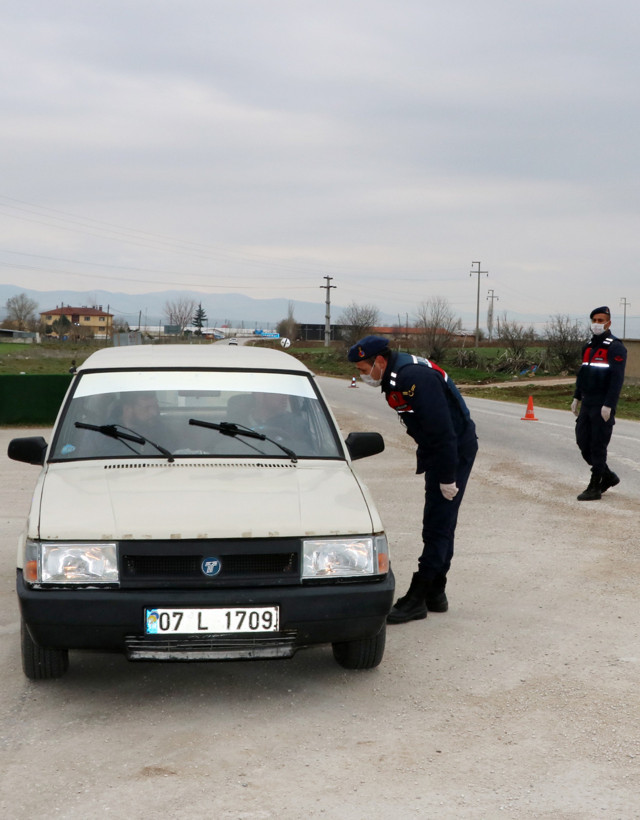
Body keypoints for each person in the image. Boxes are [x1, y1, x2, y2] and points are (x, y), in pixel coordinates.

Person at [348, 335, 478, 624]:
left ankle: (418, 597)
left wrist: (447, 476)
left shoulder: (414, 377)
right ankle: (436, 592)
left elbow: (443, 432)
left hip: (452, 451)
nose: (362, 375)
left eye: (363, 369)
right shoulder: (395, 376)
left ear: (379, 361)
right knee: (442, 522)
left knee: (437, 524)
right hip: (441, 448)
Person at [571, 306, 627, 501]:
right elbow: (583, 374)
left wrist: (609, 404)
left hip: (602, 404)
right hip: (587, 402)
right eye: (594, 320)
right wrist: (576, 397)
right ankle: (608, 476)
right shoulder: (588, 347)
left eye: (601, 320)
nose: (597, 323)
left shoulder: (615, 347)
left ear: (608, 323)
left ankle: (595, 486)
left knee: (597, 445)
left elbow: (617, 379)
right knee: (583, 442)